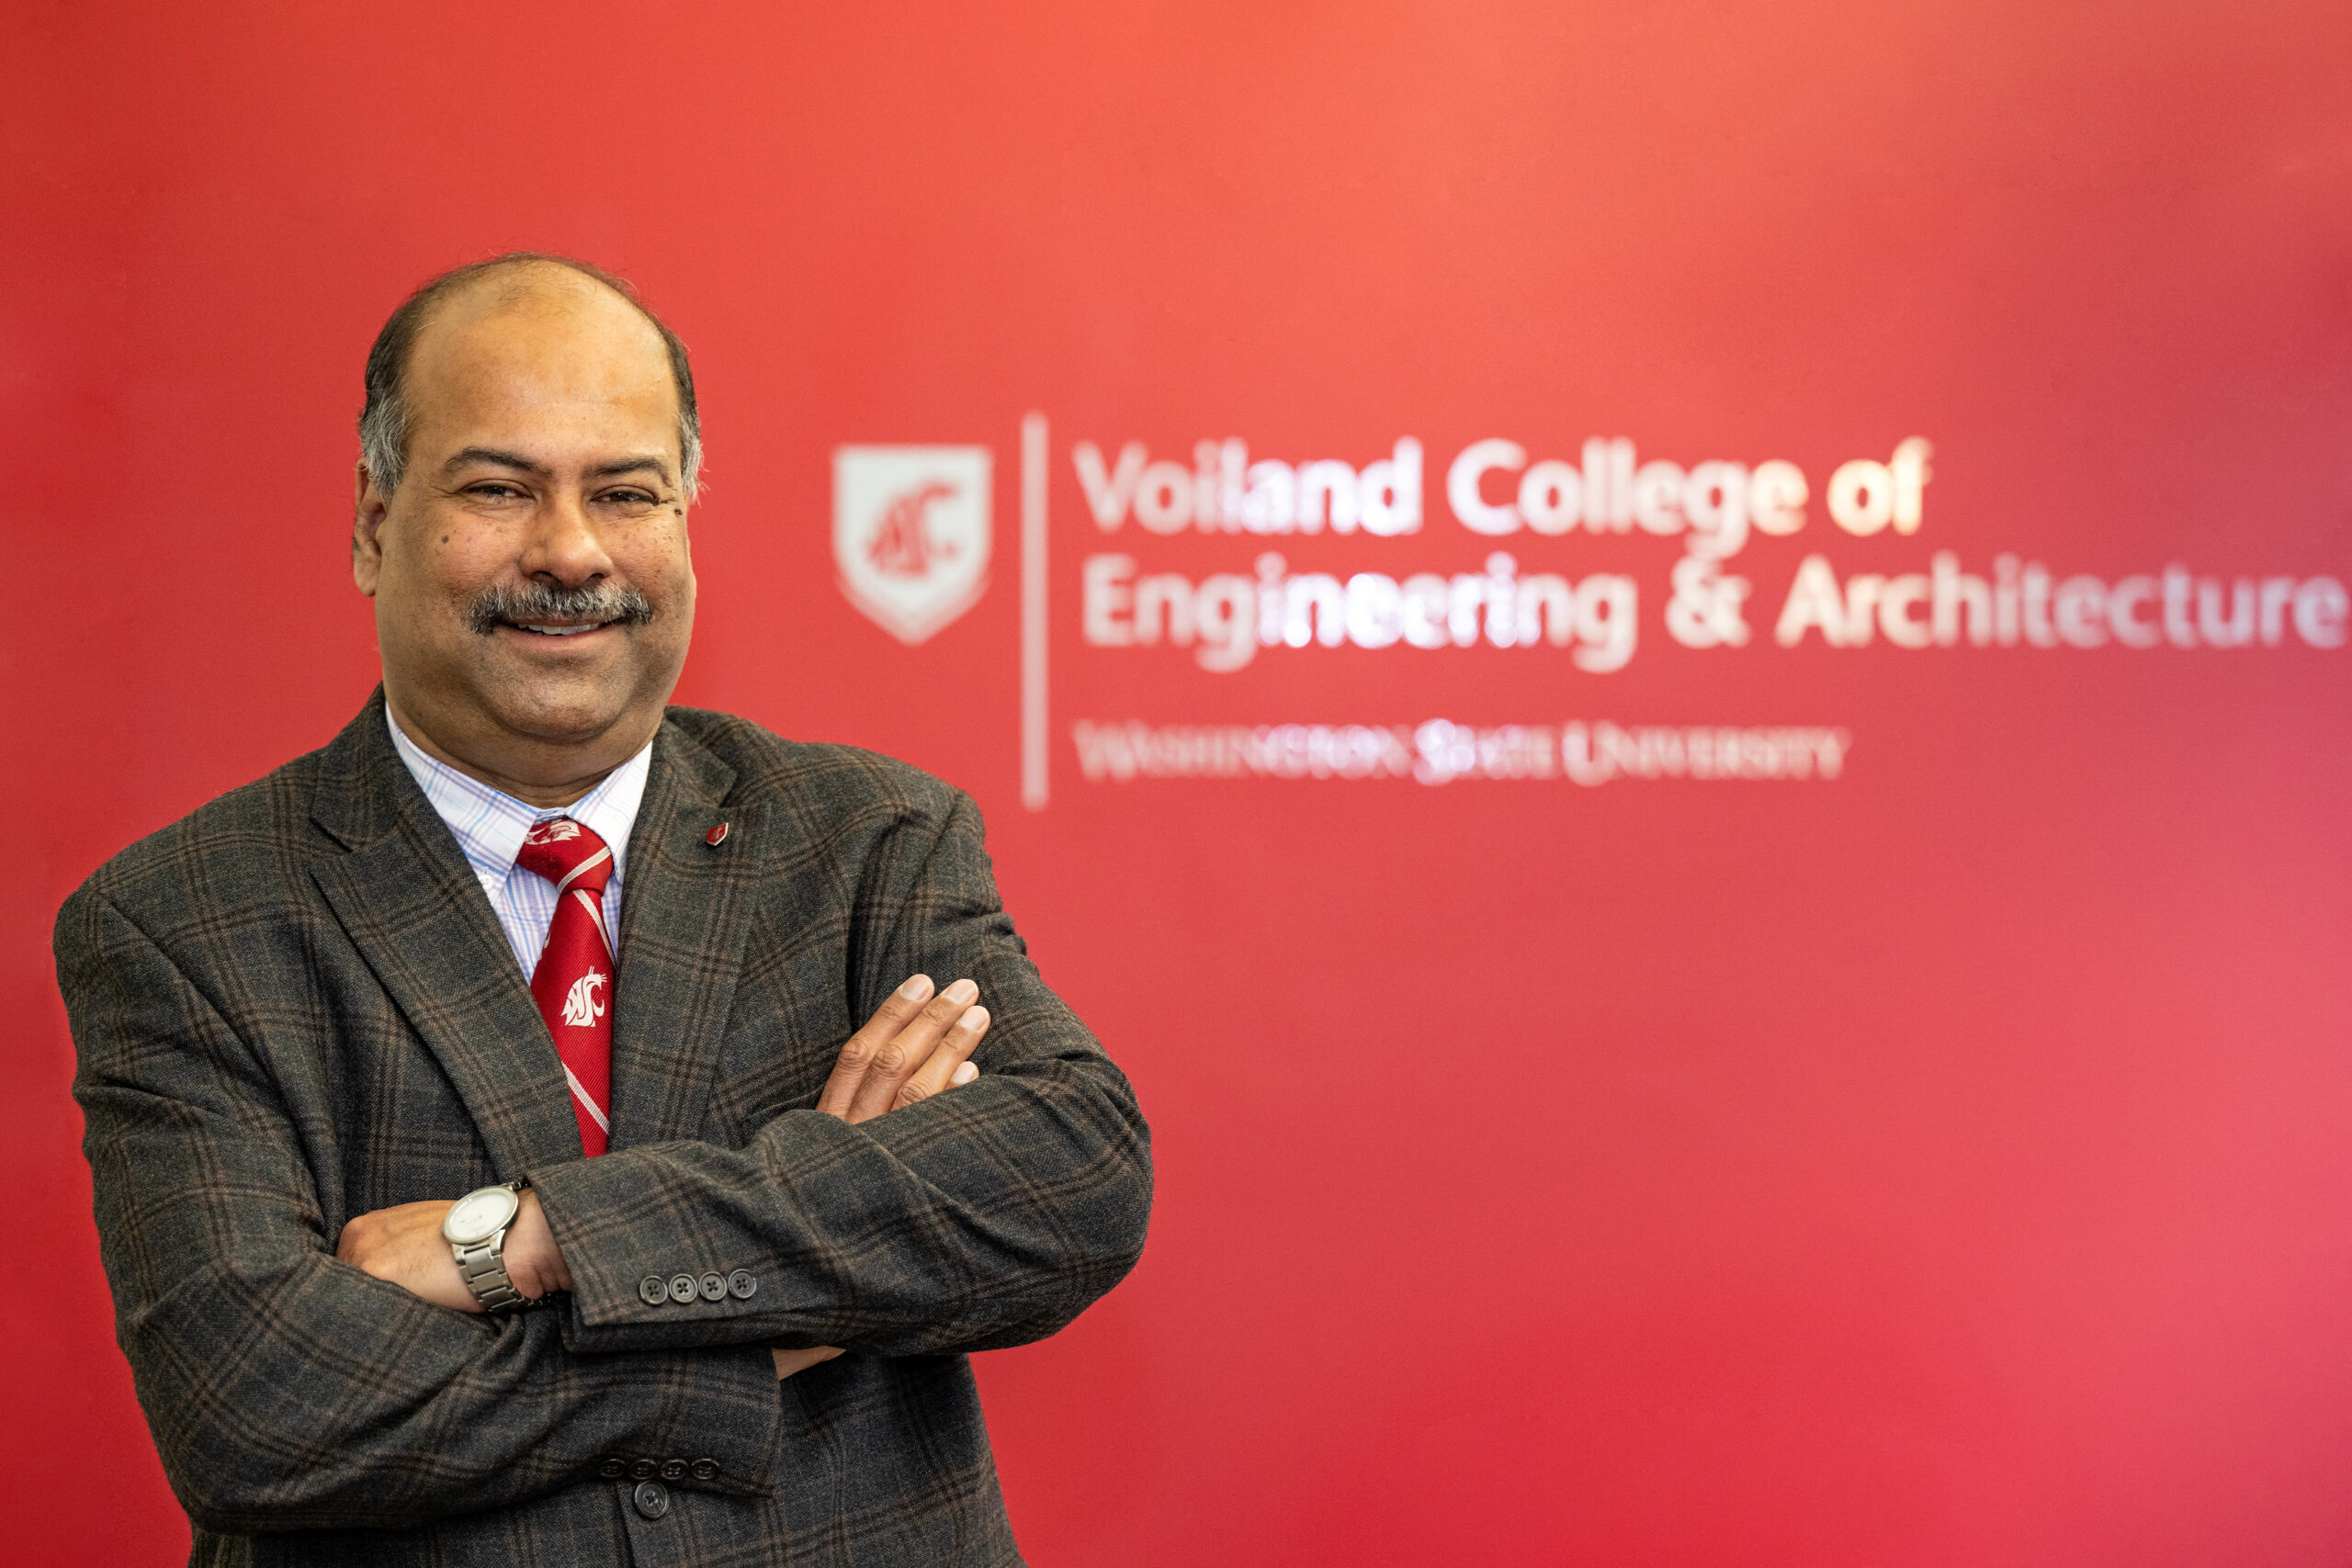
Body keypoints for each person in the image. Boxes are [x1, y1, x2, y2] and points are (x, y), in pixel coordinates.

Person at [54, 253, 1152, 1566]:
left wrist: (525, 1242)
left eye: (625, 493)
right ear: (374, 523)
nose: (570, 551)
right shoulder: (181, 921)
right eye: (499, 489)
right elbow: (258, 1410)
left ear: (683, 519)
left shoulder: (871, 842)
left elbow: (1071, 1178)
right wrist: (797, 1309)